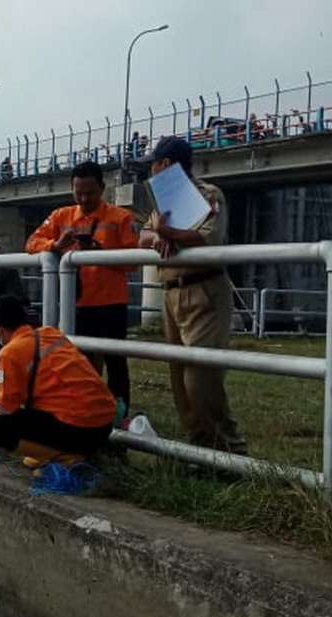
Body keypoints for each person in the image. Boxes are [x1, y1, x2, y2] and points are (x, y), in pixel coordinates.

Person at [138, 136, 246, 455]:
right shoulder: (162, 203)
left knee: (201, 378)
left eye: (155, 164)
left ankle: (230, 452)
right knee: (179, 380)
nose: (152, 170)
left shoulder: (207, 195)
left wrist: (170, 234)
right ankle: (199, 450)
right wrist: (159, 236)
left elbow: (208, 237)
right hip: (172, 293)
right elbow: (143, 235)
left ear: (167, 165)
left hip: (204, 290)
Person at [25, 160, 139, 411]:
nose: (84, 199)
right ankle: (84, 411)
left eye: (90, 193)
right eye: (79, 193)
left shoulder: (121, 218)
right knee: (77, 362)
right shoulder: (61, 216)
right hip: (75, 304)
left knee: (116, 363)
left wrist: (103, 252)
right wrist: (55, 245)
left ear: (102, 188)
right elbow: (32, 243)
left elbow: (134, 261)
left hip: (111, 304)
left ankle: (120, 415)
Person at [0, 296, 118, 469]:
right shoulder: (50, 333)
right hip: (105, 424)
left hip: (80, 429)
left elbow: (5, 406)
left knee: (0, 427)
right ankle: (56, 451)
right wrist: (3, 376)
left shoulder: (10, 352)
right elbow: (48, 369)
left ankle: (66, 458)